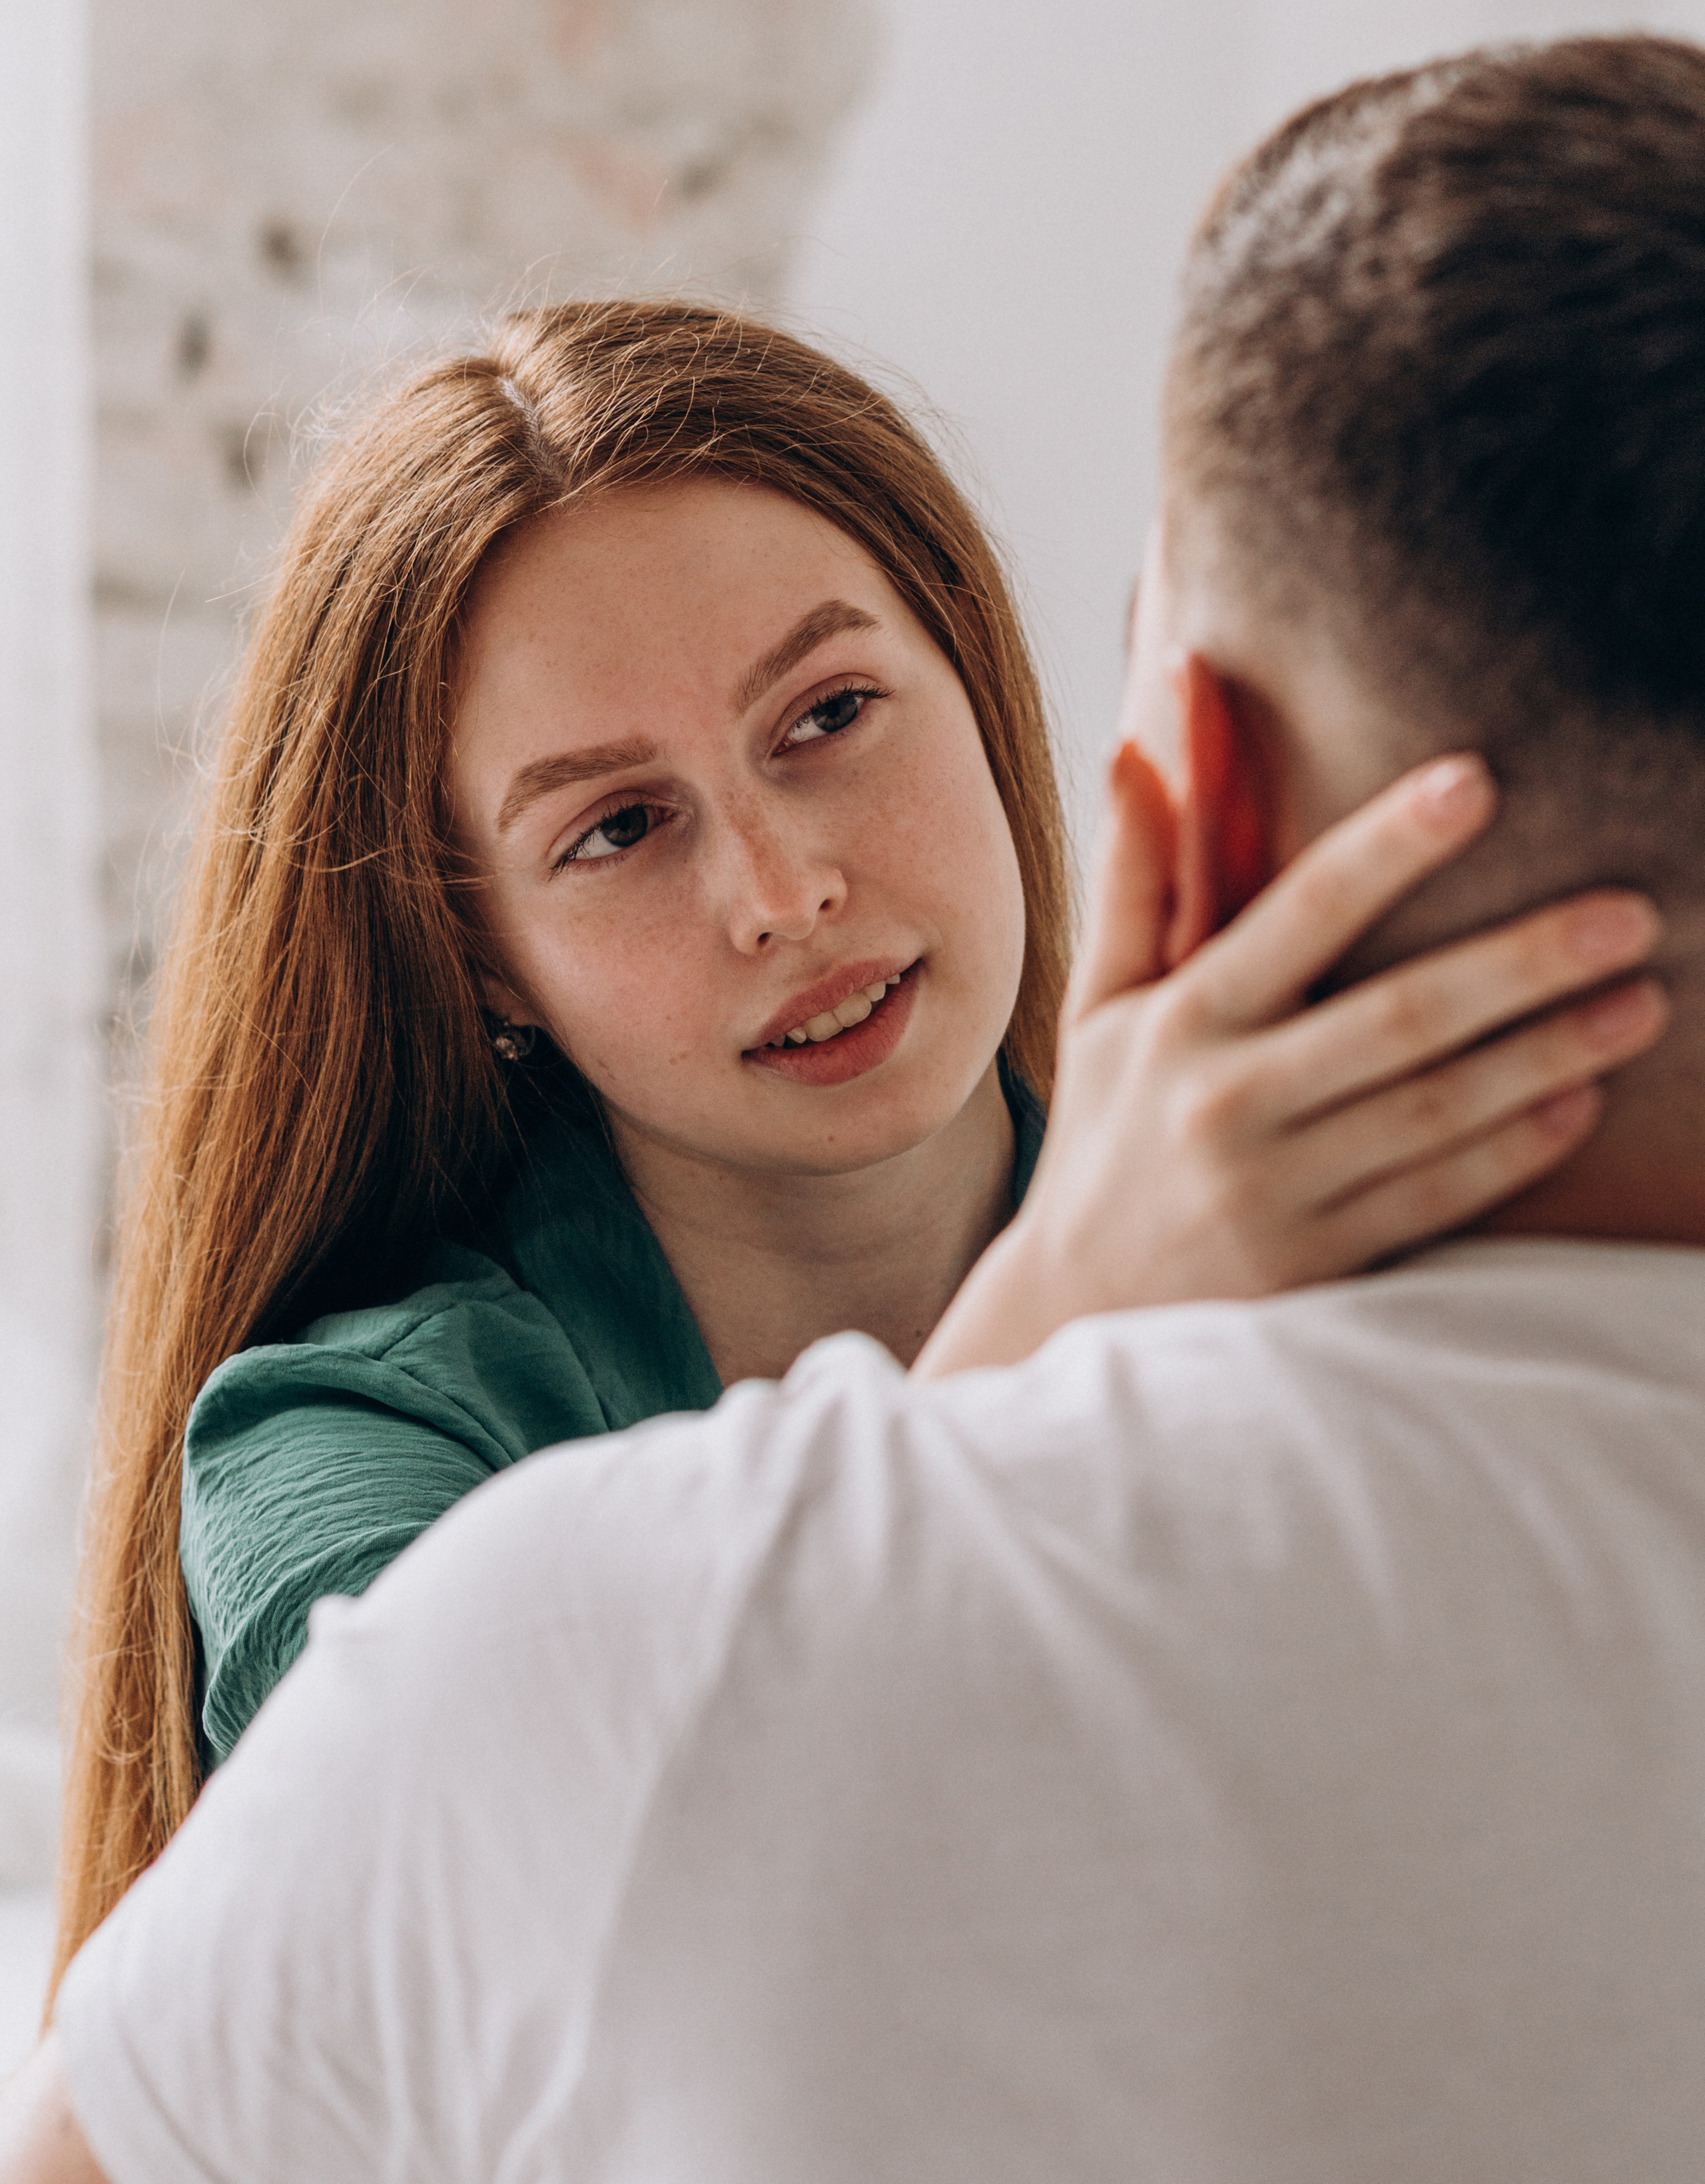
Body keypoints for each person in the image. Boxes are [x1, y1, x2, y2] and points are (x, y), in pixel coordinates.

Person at [54, 298, 1641, 1999]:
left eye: (825, 716)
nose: (781, 891)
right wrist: (1066, 1304)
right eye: (617, 827)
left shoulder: (1365, 1275)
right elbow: (568, 1978)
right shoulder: (342, 1453)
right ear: (484, 960)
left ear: (975, 680)